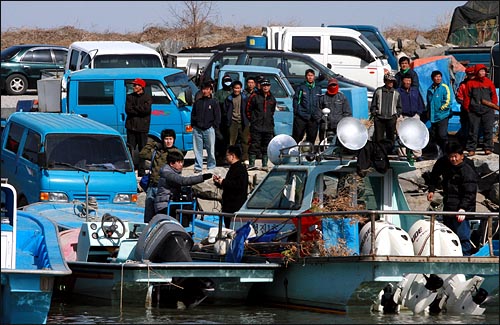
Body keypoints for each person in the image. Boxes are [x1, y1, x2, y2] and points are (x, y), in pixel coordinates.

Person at [426, 142, 478, 256]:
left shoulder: (467, 170)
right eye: (450, 156)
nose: (453, 159)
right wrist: (431, 189)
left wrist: (463, 209)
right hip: (449, 204)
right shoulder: (443, 162)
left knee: (463, 237)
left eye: (455, 156)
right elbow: (434, 174)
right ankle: (450, 258)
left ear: (461, 156)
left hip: (463, 210)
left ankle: (465, 259)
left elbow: (470, 192)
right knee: (449, 235)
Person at [154, 151, 212, 227]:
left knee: (190, 206)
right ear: (171, 164)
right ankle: (183, 229)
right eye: (179, 162)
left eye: (182, 162)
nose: (181, 165)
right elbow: (183, 181)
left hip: (171, 203)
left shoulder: (174, 172)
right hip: (164, 206)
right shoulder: (167, 173)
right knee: (186, 209)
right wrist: (203, 177)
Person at [139, 129, 182, 223]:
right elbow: (142, 154)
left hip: (165, 189)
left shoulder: (176, 153)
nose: (168, 141)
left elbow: (178, 172)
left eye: (171, 139)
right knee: (149, 216)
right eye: (166, 139)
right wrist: (153, 144)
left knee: (163, 216)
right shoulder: (157, 151)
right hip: (152, 186)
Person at [464, 64, 498, 156]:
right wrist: (467, 108)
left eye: (484, 71)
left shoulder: (489, 82)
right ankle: (471, 149)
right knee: (473, 130)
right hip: (474, 110)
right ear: (477, 72)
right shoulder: (470, 83)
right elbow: (467, 97)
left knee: (488, 129)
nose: (482, 72)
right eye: (480, 71)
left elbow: (494, 95)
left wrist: (493, 106)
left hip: (488, 110)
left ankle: (488, 148)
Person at [213, 145, 249, 228]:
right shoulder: (233, 168)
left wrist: (224, 182)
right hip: (228, 205)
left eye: (227, 155)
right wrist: (219, 182)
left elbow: (238, 186)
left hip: (235, 206)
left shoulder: (240, 169)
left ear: (232, 156)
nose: (226, 158)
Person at [191, 80, 221, 173]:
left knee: (211, 149)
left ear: (211, 90)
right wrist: (194, 124)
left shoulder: (214, 102)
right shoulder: (197, 102)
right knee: (197, 149)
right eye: (203, 89)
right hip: (197, 129)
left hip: (209, 129)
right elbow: (193, 114)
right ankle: (198, 167)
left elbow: (217, 116)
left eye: (207, 89)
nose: (205, 91)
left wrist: (214, 126)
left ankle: (211, 167)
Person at [246, 78, 276, 170]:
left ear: (270, 86)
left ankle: (264, 165)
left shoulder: (272, 98)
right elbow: (248, 110)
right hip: (256, 126)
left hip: (268, 127)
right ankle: (251, 164)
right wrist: (254, 120)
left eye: (267, 85)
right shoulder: (254, 96)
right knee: (254, 145)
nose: (266, 87)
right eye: (264, 85)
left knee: (266, 146)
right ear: (260, 86)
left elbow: (272, 111)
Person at [125, 77, 152, 176]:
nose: (134, 87)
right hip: (131, 127)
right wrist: (139, 110)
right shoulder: (129, 97)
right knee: (130, 148)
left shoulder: (147, 97)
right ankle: (130, 169)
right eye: (134, 85)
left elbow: (146, 110)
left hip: (143, 128)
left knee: (142, 150)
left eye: (136, 85)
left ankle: (141, 170)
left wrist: (135, 108)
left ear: (141, 87)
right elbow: (128, 110)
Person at [396, 74, 426, 161]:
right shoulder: (398, 91)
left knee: (416, 135)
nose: (408, 82)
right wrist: (398, 115)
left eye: (409, 80)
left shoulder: (415, 91)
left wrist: (418, 113)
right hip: (402, 116)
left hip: (414, 116)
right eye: (406, 80)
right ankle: (402, 155)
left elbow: (420, 103)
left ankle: (417, 155)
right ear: (402, 81)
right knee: (402, 136)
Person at [370, 72, 402, 151]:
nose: (391, 83)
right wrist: (375, 113)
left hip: (391, 119)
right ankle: (378, 153)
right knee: (378, 138)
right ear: (385, 81)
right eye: (389, 81)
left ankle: (389, 152)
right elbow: (373, 104)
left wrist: (396, 115)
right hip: (379, 119)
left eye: (392, 81)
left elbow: (399, 107)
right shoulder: (378, 91)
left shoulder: (396, 93)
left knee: (390, 138)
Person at [292, 69, 323, 144]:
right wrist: (298, 113)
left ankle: (309, 155)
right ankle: (294, 153)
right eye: (308, 75)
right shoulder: (301, 87)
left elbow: (320, 102)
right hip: (301, 117)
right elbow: (296, 101)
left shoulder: (318, 88)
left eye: (312, 75)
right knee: (297, 138)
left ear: (314, 77)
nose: (310, 77)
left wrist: (318, 115)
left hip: (313, 118)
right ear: (306, 77)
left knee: (311, 139)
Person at [426, 70, 451, 158]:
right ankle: (438, 153)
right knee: (435, 136)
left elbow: (448, 101)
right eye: (436, 77)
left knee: (442, 135)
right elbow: (429, 102)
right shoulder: (430, 89)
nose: (438, 78)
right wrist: (428, 112)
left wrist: (441, 109)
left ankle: (446, 152)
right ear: (433, 78)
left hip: (442, 115)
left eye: (439, 76)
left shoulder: (444, 87)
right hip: (433, 117)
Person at [318, 78, 352, 143]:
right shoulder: (323, 97)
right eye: (331, 85)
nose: (333, 87)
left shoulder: (342, 97)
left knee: (338, 144)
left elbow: (347, 113)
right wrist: (322, 119)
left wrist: (342, 123)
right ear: (328, 86)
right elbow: (318, 111)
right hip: (325, 126)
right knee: (323, 145)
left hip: (338, 127)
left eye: (334, 85)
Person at [224, 80, 250, 163]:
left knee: (245, 141)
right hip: (233, 122)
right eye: (235, 88)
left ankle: (245, 158)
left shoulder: (245, 98)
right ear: (232, 88)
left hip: (243, 122)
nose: (236, 90)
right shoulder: (229, 98)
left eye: (238, 88)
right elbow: (225, 110)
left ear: (241, 89)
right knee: (231, 142)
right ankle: (232, 158)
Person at [214, 75, 233, 166]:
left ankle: (228, 158)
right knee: (219, 140)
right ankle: (219, 158)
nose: (228, 82)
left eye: (229, 80)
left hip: (230, 121)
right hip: (220, 120)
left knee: (229, 141)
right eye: (226, 81)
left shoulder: (233, 92)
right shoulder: (218, 93)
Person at [455, 66, 475, 148]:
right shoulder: (463, 84)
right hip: (465, 110)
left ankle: (473, 145)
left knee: (474, 128)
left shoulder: (478, 84)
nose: (471, 76)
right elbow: (459, 97)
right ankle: (464, 144)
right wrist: (466, 104)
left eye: (473, 74)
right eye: (470, 74)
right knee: (465, 127)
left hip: (476, 110)